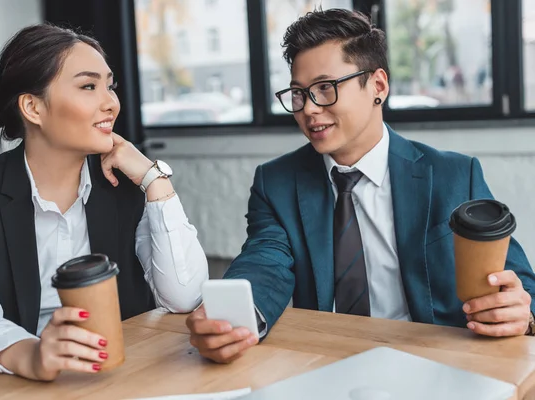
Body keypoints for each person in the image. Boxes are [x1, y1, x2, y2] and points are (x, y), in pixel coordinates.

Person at [186, 8, 535, 363]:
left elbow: (522, 283)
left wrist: (522, 311)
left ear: (378, 86)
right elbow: (265, 263)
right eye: (298, 93)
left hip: (437, 359)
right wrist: (234, 320)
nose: (308, 109)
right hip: (329, 359)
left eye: (325, 88)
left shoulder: (454, 175)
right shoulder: (277, 182)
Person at [0, 24, 208, 382]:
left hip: (115, 377)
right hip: (9, 378)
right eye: (88, 86)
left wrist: (154, 179)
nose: (110, 102)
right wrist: (33, 356)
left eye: (110, 86)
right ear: (33, 107)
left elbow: (184, 297)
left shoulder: (126, 183)